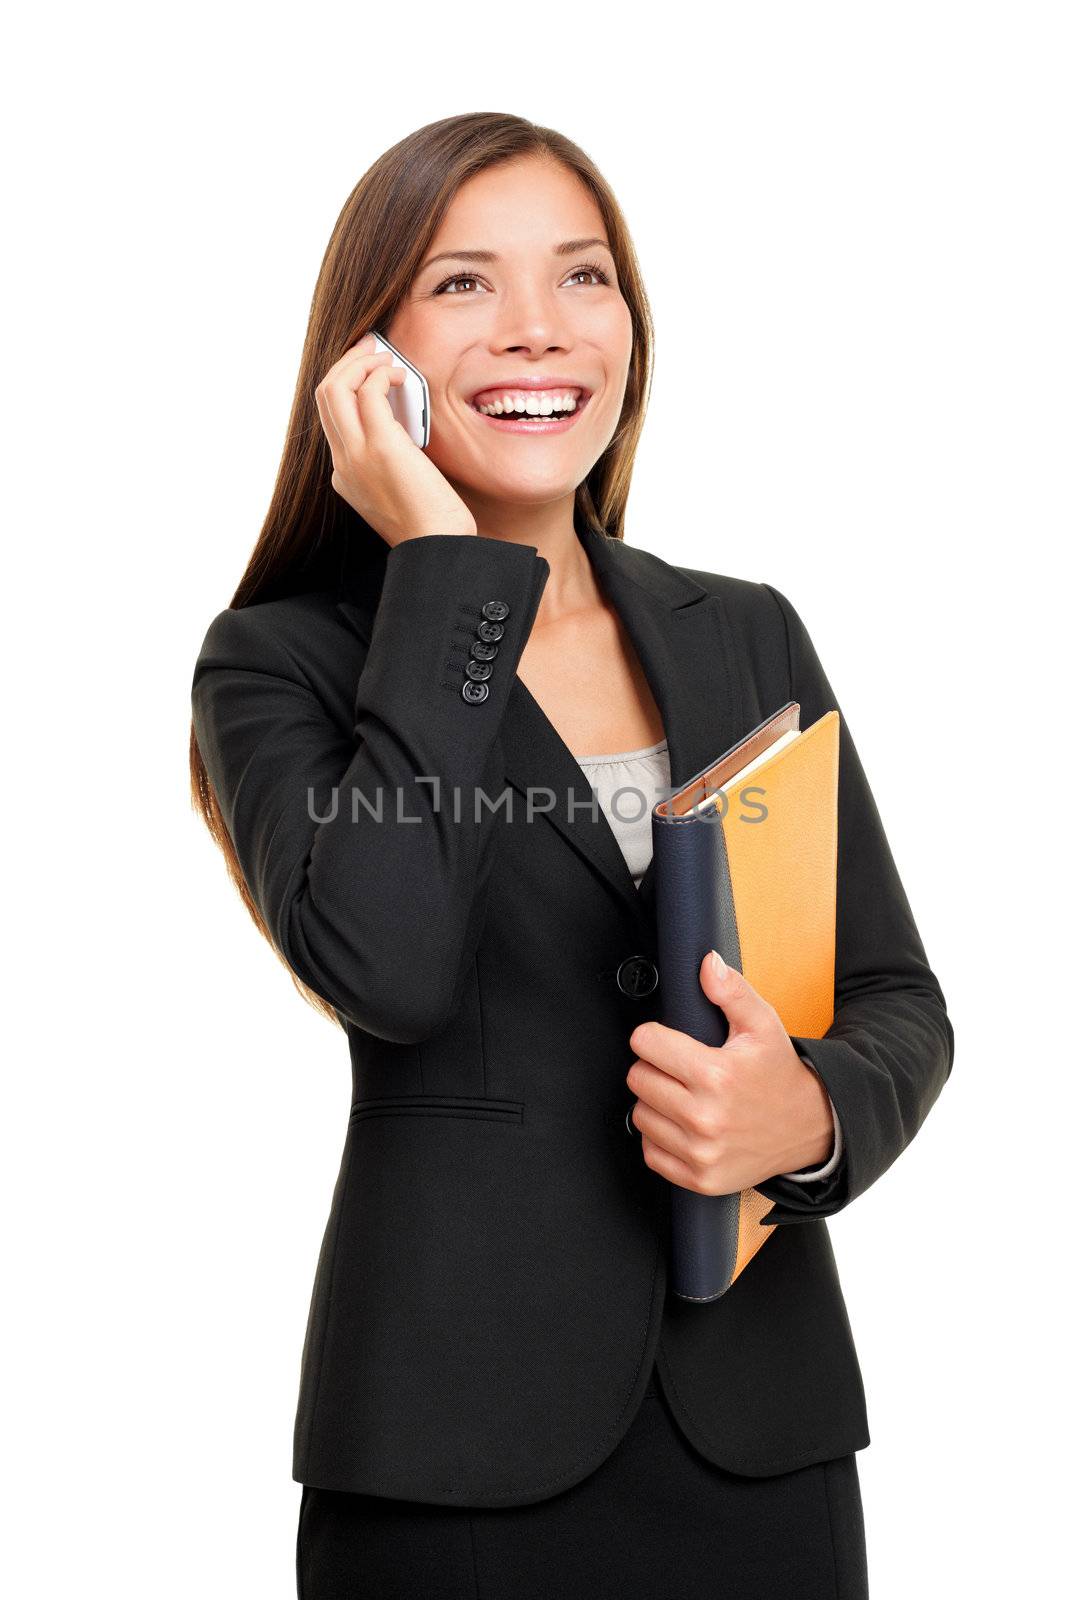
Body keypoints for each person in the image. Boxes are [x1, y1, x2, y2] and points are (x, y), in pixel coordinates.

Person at [189, 112, 952, 1600]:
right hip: (450, 1459)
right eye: (464, 284)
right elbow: (390, 970)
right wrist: (446, 574)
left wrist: (800, 1121)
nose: (539, 328)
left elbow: (897, 999)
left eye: (583, 277)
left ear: (632, 326)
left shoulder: (743, 631)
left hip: (763, 1440)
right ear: (370, 360)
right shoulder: (278, 665)